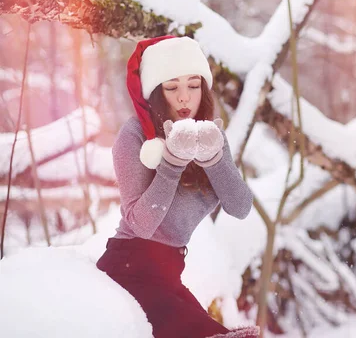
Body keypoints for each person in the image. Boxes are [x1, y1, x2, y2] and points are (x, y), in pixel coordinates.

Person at [96, 35, 259, 338]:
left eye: (193, 85)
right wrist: (171, 164)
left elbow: (240, 206)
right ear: (156, 93)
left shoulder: (211, 136)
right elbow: (141, 224)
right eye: (172, 87)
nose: (185, 97)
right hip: (128, 267)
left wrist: (213, 159)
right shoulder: (134, 135)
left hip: (168, 272)